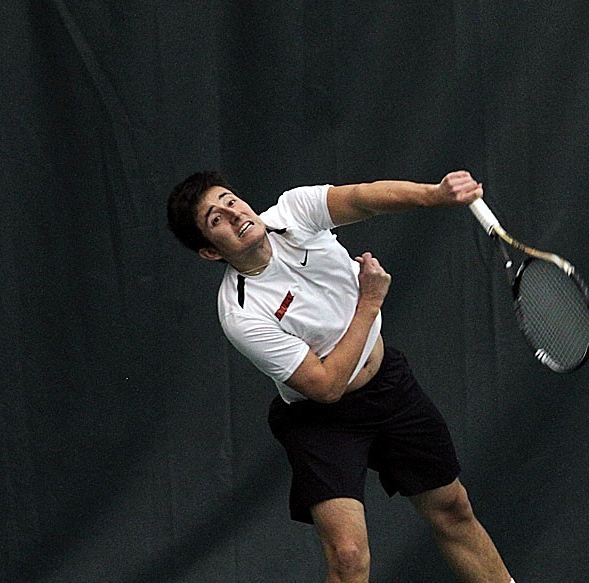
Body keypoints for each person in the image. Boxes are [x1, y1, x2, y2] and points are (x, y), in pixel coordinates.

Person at [166, 170, 514, 583]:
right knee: (347, 558)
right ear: (210, 252)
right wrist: (368, 302)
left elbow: (366, 197)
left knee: (453, 509)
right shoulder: (242, 313)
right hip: (321, 420)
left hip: (389, 388)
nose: (233, 212)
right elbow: (326, 386)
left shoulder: (294, 211)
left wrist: (434, 195)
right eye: (215, 220)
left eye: (229, 199)